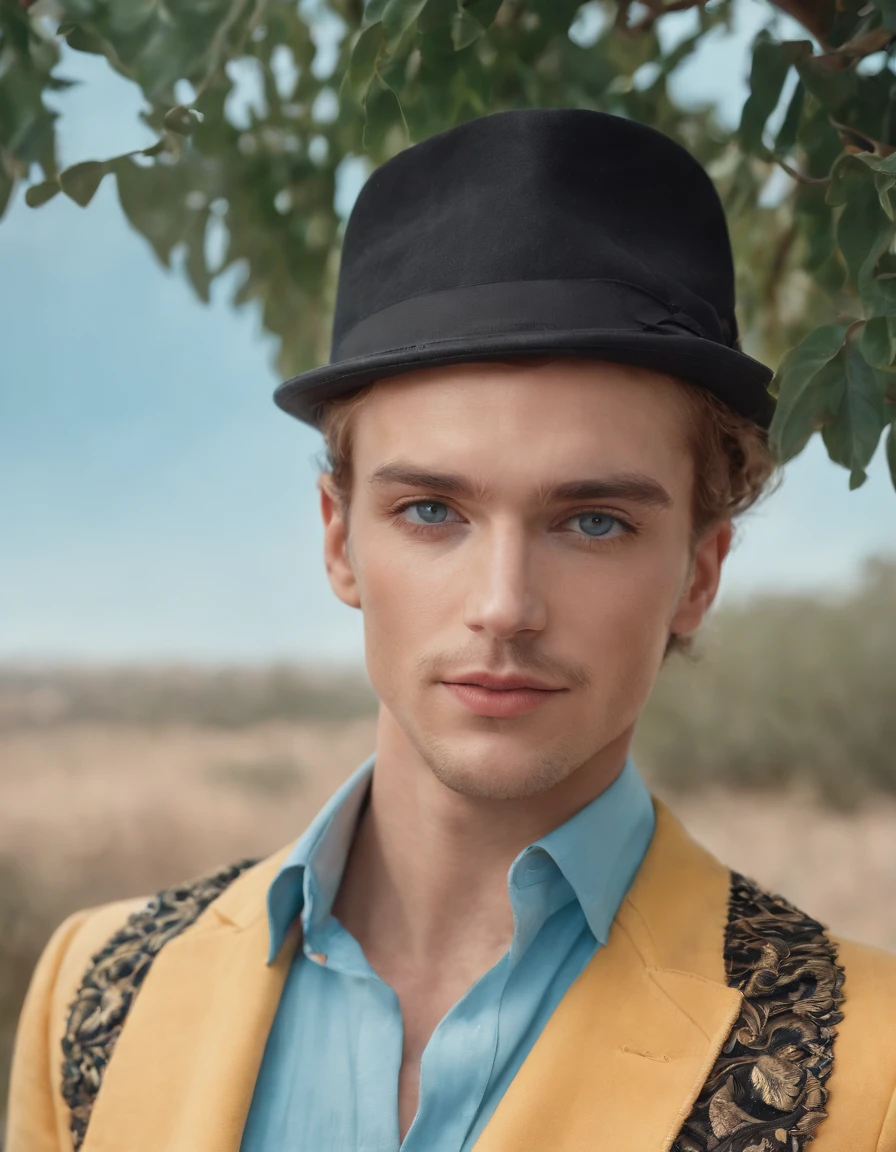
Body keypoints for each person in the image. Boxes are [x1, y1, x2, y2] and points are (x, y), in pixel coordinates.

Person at [6, 108, 896, 1152]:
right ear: (339, 542)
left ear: (697, 573)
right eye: (430, 511)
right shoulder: (95, 989)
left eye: (592, 520)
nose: (503, 605)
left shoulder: (867, 1066)